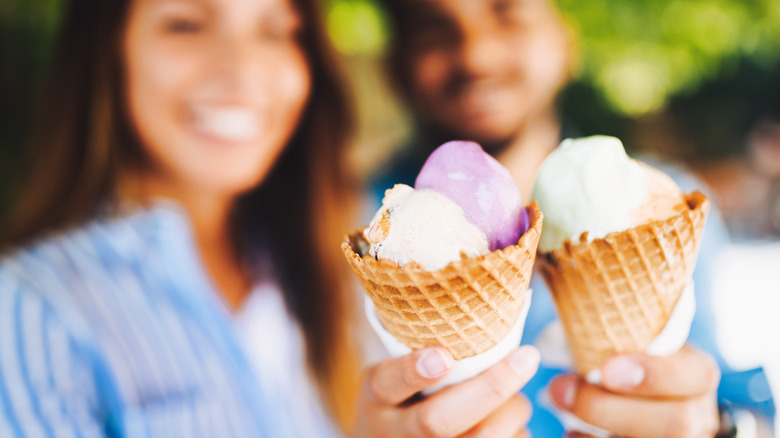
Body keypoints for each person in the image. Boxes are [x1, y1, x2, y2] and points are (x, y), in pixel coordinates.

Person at [0, 0, 544, 436]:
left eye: (275, 28)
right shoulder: (29, 309)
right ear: (106, 51)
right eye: (186, 23)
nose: (243, 69)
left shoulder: (364, 251)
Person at [373, 0, 775, 435]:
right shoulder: (353, 231)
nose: (476, 55)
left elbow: (744, 401)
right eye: (434, 30)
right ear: (396, 65)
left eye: (508, 14)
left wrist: (720, 426)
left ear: (564, 40)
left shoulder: (665, 205)